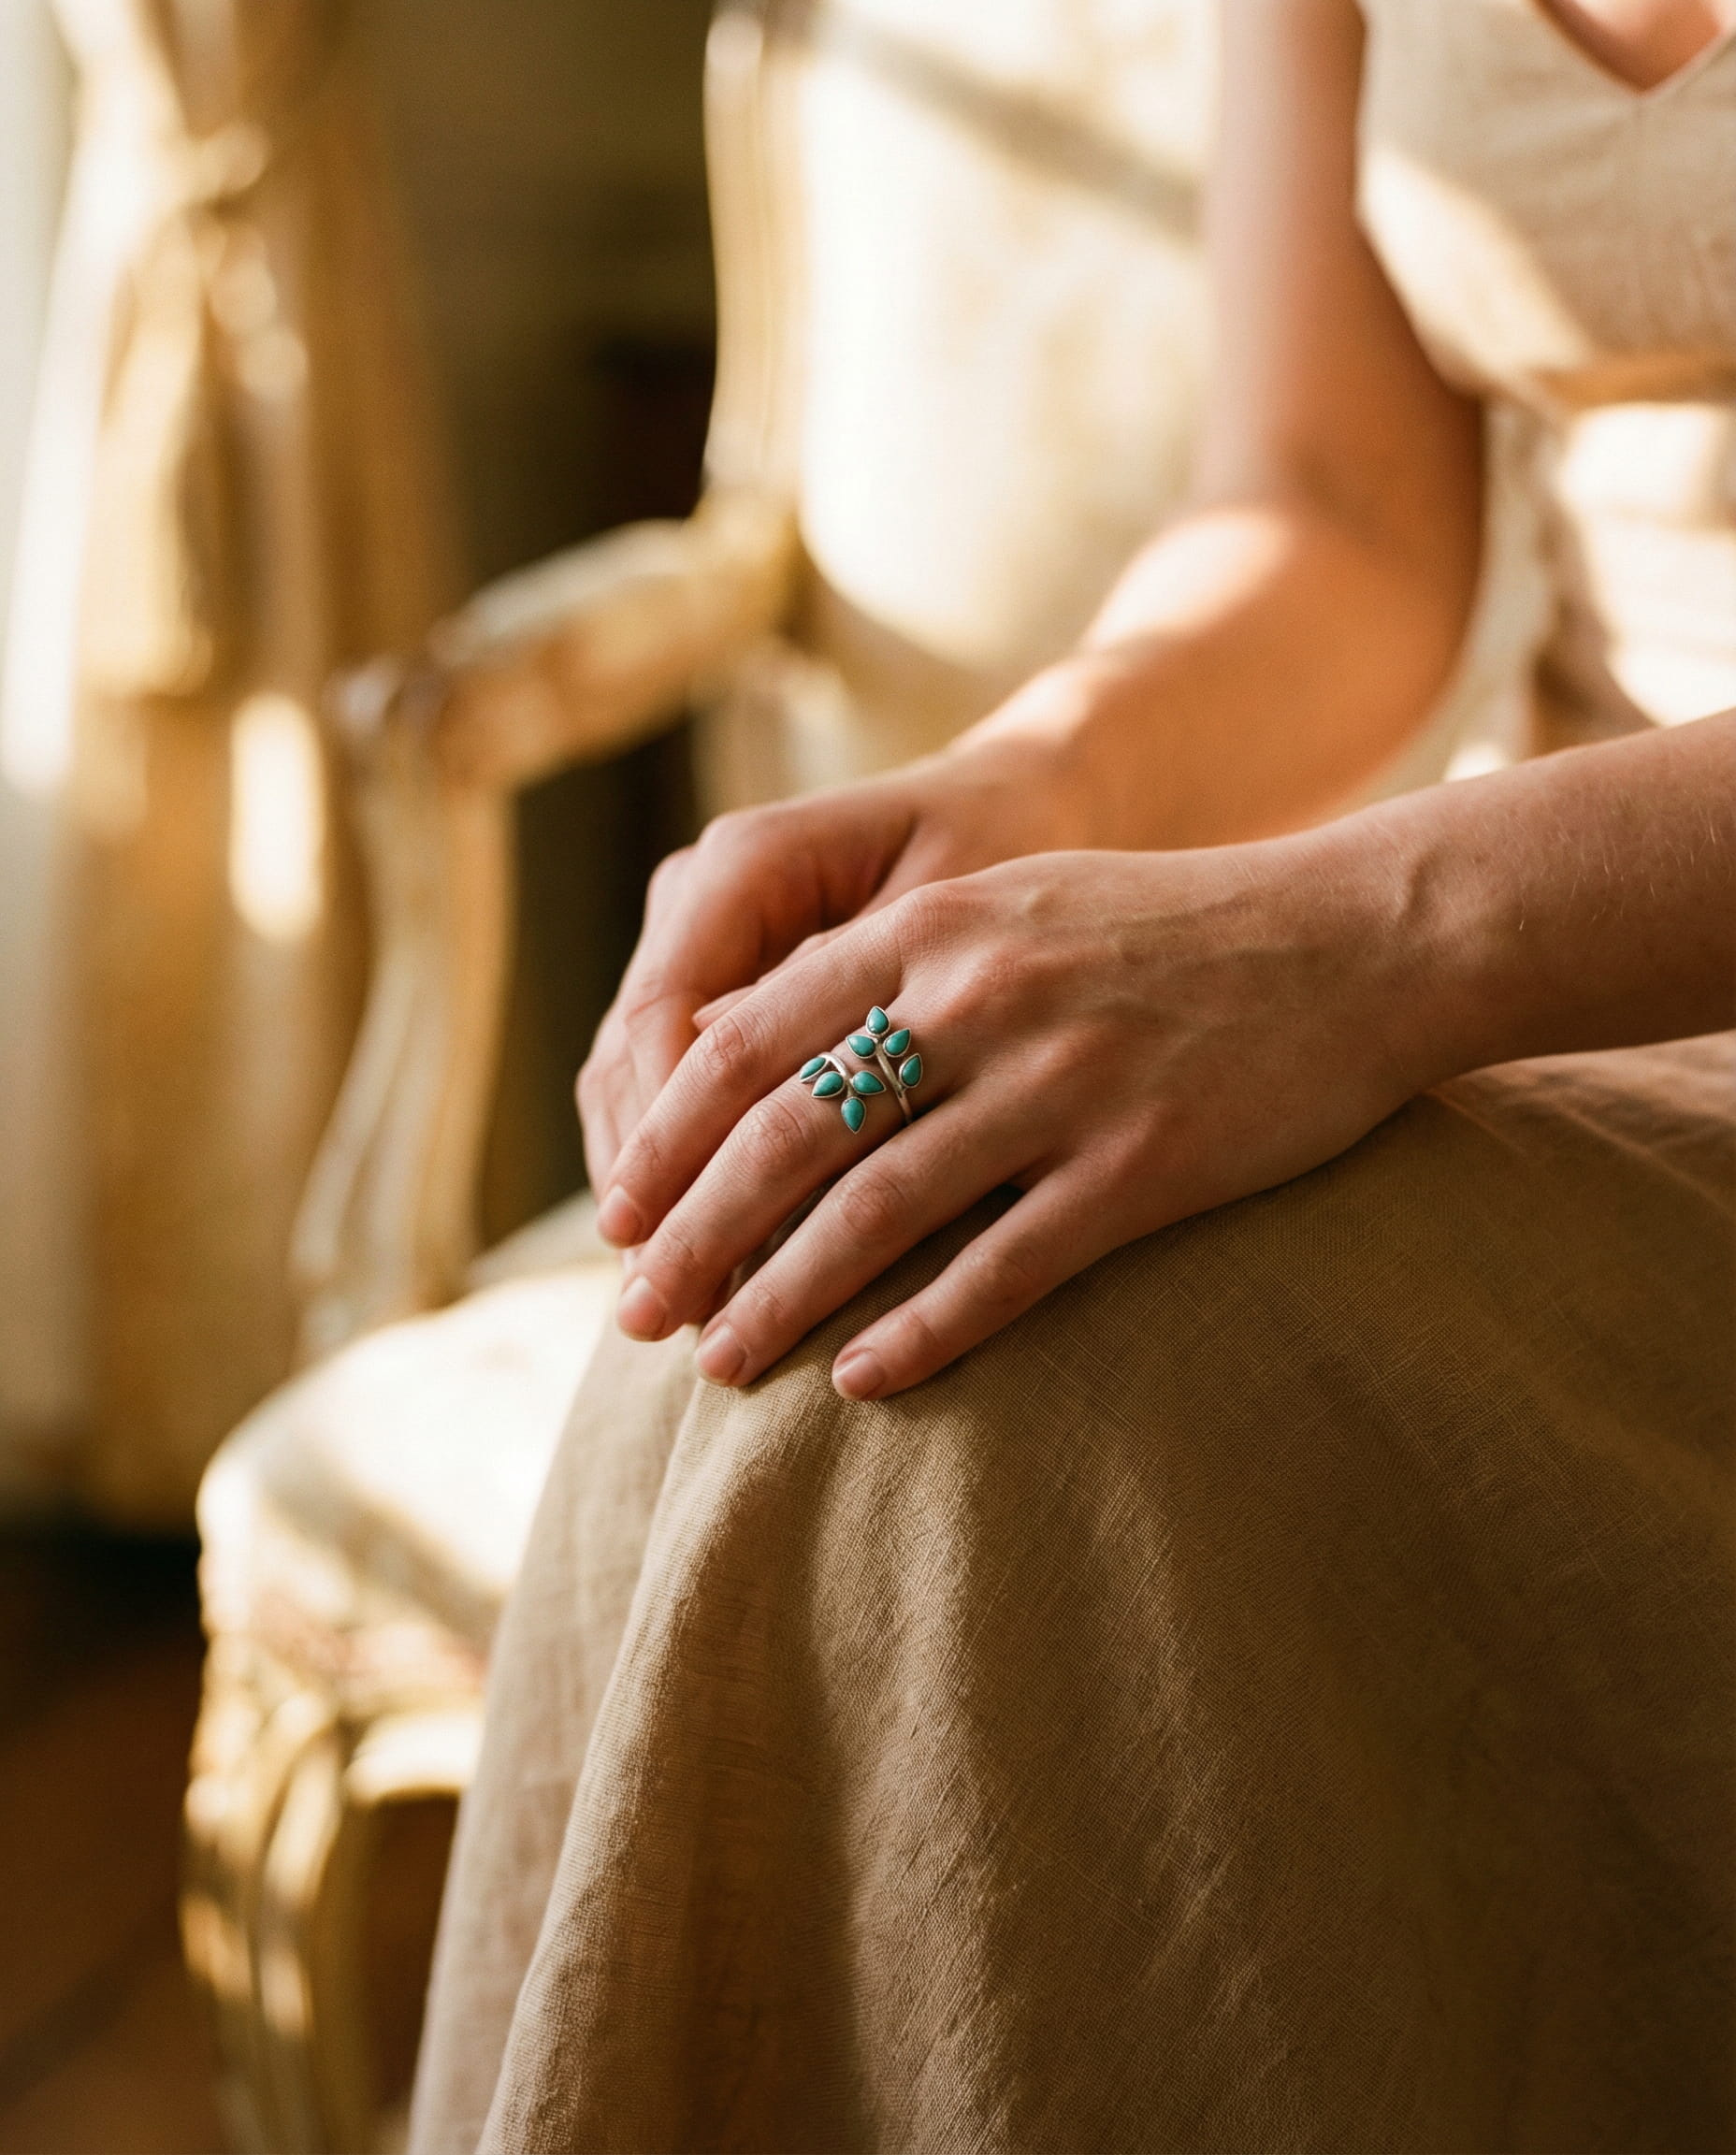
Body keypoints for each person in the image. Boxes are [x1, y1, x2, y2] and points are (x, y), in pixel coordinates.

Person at [412, 1, 1736, 2147]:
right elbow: (1331, 505)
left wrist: (1360, 937)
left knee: (1029, 1365)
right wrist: (1022, 788)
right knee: (812, 1272)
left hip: (1513, 927)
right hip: (1526, 965)